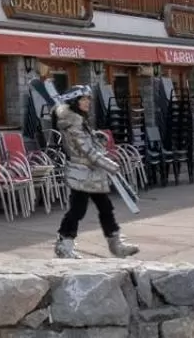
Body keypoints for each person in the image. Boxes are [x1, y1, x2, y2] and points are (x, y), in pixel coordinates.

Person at [52, 85, 139, 259]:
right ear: (74, 102)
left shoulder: (79, 120)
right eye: (83, 99)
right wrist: (109, 164)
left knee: (105, 207)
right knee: (78, 210)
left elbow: (89, 145)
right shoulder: (73, 123)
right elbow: (87, 151)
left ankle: (116, 244)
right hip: (81, 173)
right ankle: (64, 244)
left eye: (88, 99)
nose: (87, 102)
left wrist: (98, 140)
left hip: (92, 172)